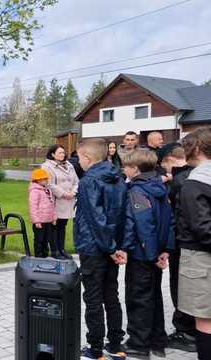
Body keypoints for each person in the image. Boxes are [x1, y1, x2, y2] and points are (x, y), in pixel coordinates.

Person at [74, 138, 127, 360]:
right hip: (112, 246)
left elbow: (96, 218)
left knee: (94, 298)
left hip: (95, 247)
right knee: (111, 295)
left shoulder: (89, 181)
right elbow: (123, 214)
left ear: (87, 157)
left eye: (79, 157)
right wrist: (119, 246)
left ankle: (95, 348)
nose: (79, 162)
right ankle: (115, 345)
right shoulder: (118, 177)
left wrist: (110, 247)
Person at [120, 149, 174, 358]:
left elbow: (143, 224)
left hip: (143, 255)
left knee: (138, 298)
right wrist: (165, 251)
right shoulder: (160, 187)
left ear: (134, 169)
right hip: (156, 252)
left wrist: (151, 255)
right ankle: (157, 339)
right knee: (154, 296)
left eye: (125, 166)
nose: (123, 169)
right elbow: (170, 222)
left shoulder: (137, 191)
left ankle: (139, 344)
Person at [177, 127, 211, 360]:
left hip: (201, 259)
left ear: (196, 149)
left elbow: (201, 227)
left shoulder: (195, 182)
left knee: (206, 319)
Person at [161, 143, 198, 352]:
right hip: (194, 243)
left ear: (170, 160)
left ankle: (186, 331)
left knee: (181, 286)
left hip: (182, 241)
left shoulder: (181, 181)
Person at [41, 144, 78, 259]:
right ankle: (55, 251)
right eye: (59, 153)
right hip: (56, 200)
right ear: (52, 154)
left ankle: (62, 249)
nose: (62, 155)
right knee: (54, 226)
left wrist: (73, 192)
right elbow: (49, 183)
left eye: (63, 152)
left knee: (63, 225)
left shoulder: (69, 165)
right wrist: (63, 193)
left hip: (69, 200)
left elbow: (76, 181)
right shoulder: (46, 166)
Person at [28, 168, 57, 258]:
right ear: (37, 180)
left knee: (47, 239)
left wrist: (54, 217)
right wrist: (36, 221)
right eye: (44, 179)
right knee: (39, 240)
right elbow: (33, 207)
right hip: (40, 222)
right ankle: (39, 256)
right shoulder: (35, 191)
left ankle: (45, 255)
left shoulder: (47, 190)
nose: (46, 180)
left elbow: (52, 204)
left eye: (46, 179)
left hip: (48, 220)